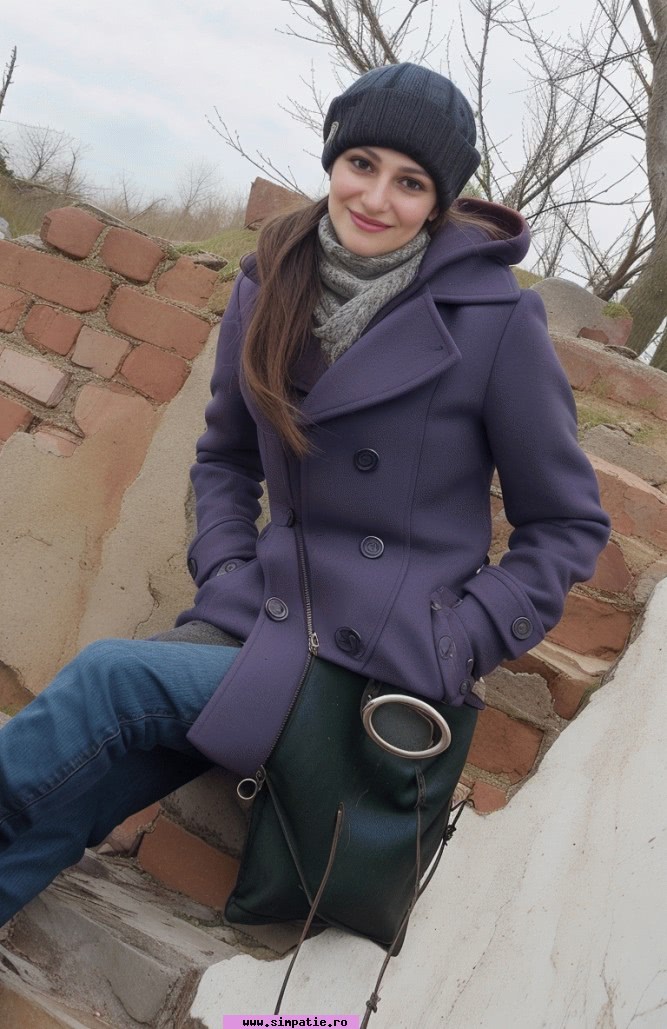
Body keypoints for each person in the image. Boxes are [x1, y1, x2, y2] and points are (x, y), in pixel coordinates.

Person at [0, 63, 611, 927]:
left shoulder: (494, 322)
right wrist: (223, 566)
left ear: (438, 201)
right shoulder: (270, 281)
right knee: (91, 785)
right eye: (360, 164)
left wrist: (458, 640)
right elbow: (224, 455)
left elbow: (567, 521)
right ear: (333, 161)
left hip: (373, 659)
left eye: (409, 182)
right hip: (259, 612)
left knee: (113, 678)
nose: (375, 198)